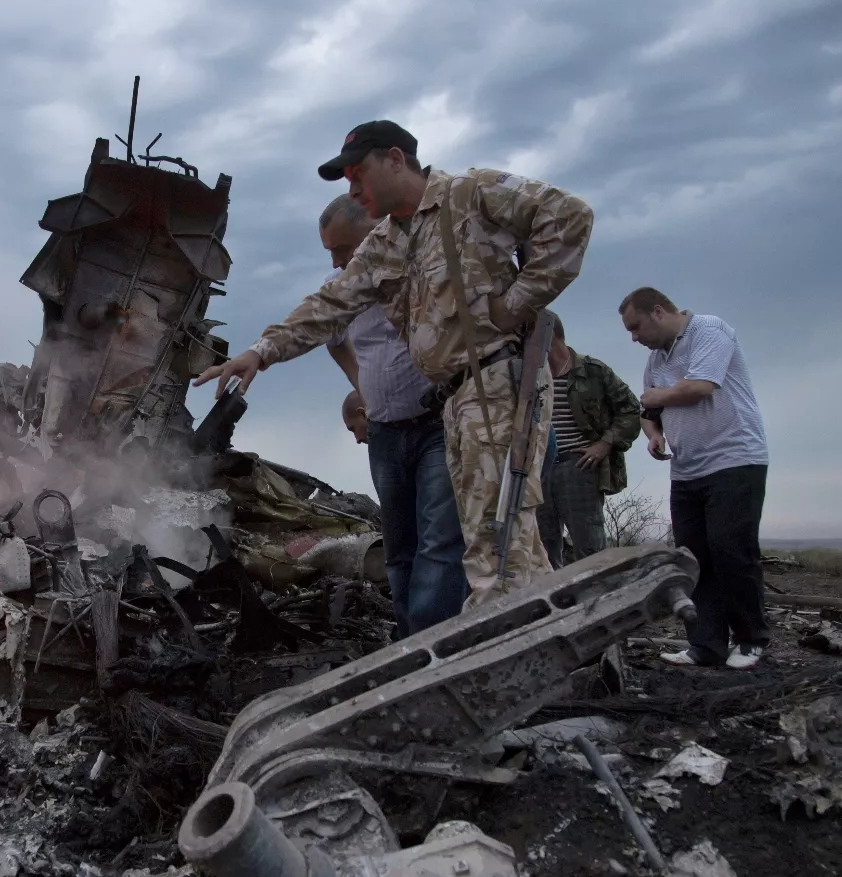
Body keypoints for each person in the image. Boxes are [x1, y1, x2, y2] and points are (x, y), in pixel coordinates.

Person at [194, 120, 594, 608]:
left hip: (496, 383)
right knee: (509, 545)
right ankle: (557, 651)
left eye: (358, 172)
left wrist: (516, 303)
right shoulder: (387, 241)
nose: (353, 186)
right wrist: (261, 351)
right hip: (456, 400)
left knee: (496, 541)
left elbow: (570, 216)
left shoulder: (470, 193)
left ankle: (494, 665)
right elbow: (329, 304)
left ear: (396, 160)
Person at [319, 195, 467, 637]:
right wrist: (361, 384)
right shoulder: (339, 287)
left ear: (377, 232)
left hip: (438, 425)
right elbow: (332, 339)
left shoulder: (423, 269)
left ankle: (432, 645)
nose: (338, 259)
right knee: (399, 546)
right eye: (330, 252)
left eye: (344, 248)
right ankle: (408, 640)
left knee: (440, 540)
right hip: (384, 431)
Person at [619, 287, 770, 670]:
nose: (634, 338)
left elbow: (699, 388)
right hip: (686, 469)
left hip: (734, 460)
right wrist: (653, 434)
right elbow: (647, 408)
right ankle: (707, 645)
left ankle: (751, 640)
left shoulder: (708, 331)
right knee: (693, 558)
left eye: (636, 327)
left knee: (731, 550)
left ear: (658, 311)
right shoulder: (656, 359)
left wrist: (656, 398)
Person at [536, 316, 642, 567]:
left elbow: (631, 409)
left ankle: (601, 601)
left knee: (590, 550)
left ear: (551, 334)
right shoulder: (530, 376)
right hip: (538, 469)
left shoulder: (592, 371)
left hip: (578, 466)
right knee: (541, 552)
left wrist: (605, 444)